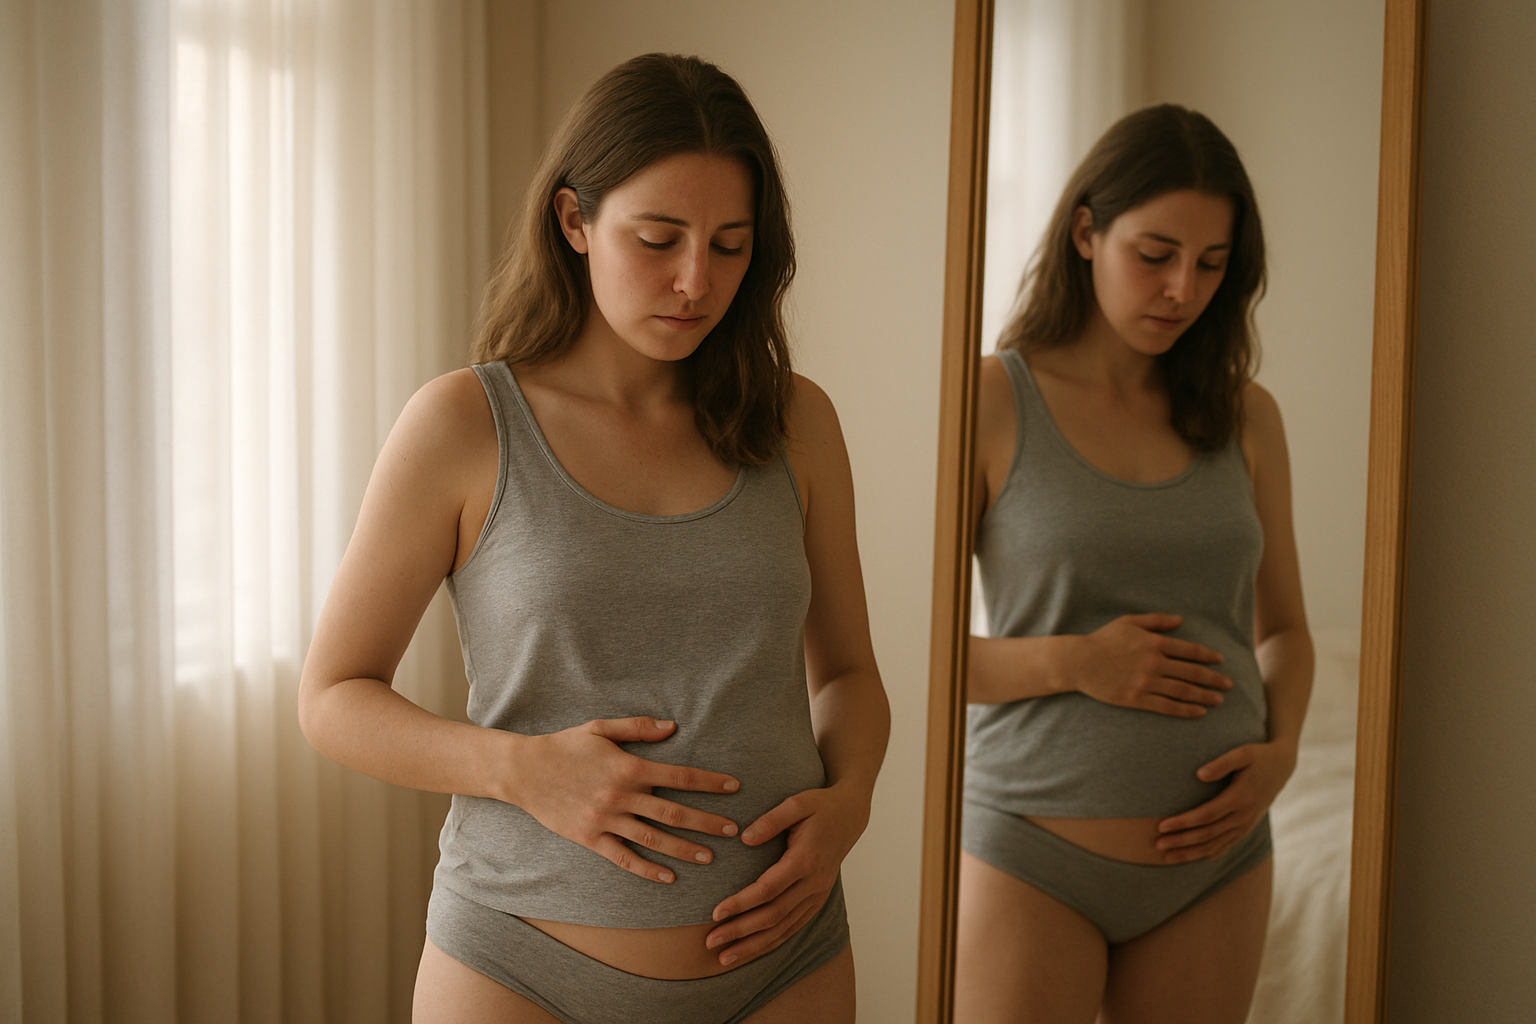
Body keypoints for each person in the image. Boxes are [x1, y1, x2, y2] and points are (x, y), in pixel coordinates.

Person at [296, 53, 888, 1024]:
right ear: (575, 221)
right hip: (521, 962)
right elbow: (332, 698)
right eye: (659, 239)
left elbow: (851, 676)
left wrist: (852, 796)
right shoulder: (461, 426)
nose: (697, 280)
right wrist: (520, 768)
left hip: (786, 956)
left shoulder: (798, 422)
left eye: (730, 245)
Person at [954, 105, 1314, 1024]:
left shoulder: (1247, 415)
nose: (1181, 289)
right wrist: (1076, 660)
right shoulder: (993, 401)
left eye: (1211, 263)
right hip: (1033, 847)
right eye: (1154, 254)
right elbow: (914, 658)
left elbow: (1283, 631)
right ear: (1086, 231)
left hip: (1219, 859)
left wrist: (1281, 753)